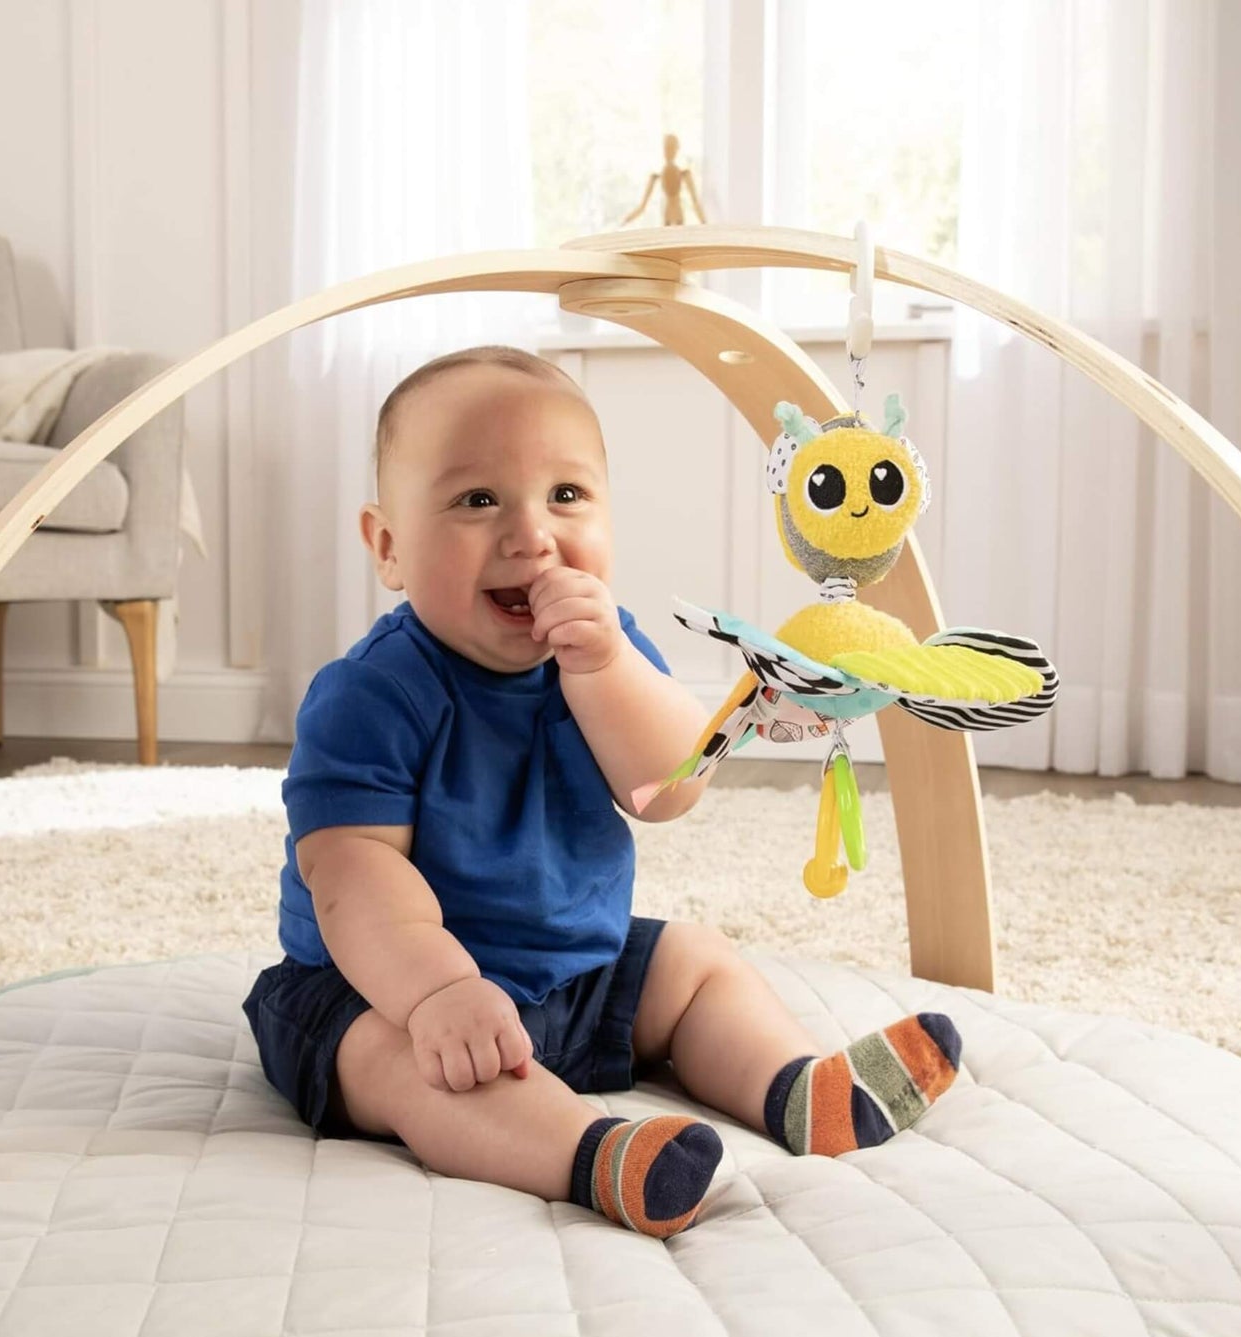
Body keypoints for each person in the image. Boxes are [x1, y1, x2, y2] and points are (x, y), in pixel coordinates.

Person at [243, 345, 962, 1240]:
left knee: (695, 961)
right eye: (477, 500)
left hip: (575, 972)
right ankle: (592, 1154)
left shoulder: (606, 648)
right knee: (405, 1067)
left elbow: (667, 790)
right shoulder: (371, 693)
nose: (530, 534)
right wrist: (437, 994)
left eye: (565, 495)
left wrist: (604, 670)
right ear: (389, 546)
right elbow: (352, 875)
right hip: (379, 988)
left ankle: (797, 1088)